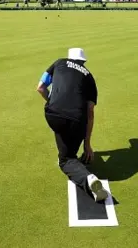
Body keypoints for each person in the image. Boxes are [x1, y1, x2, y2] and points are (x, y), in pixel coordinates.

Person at [36, 48, 110, 202]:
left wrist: (53, 101)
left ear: (69, 57)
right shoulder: (89, 77)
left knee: (65, 151)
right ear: (83, 62)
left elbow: (40, 88)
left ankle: (80, 170)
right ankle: (87, 177)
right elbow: (90, 112)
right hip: (77, 120)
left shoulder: (59, 63)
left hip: (53, 114)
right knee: (68, 156)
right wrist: (87, 144)